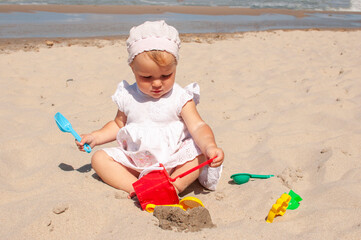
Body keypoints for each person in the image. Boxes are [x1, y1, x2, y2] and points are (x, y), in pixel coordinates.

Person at [76, 20, 224, 197]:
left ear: (175, 66)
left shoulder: (180, 97)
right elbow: (118, 125)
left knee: (199, 152)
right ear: (133, 68)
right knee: (99, 159)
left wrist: (210, 146)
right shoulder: (129, 96)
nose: (157, 83)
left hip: (174, 160)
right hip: (137, 161)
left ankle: (174, 186)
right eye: (146, 77)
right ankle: (137, 188)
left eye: (166, 75)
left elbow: (198, 127)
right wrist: (95, 137)